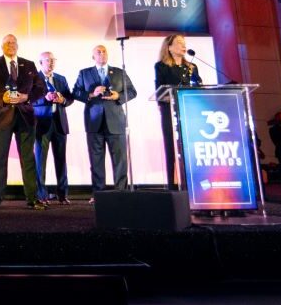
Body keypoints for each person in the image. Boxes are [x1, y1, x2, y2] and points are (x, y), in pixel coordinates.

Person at [0, 34, 47, 209]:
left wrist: (27, 97)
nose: (11, 45)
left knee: (28, 159)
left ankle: (33, 198)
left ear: (18, 45)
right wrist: (2, 98)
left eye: (14, 42)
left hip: (25, 118)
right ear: (2, 46)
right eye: (7, 42)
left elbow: (41, 88)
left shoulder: (29, 65)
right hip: (1, 119)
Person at [73, 44, 138, 202]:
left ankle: (121, 193)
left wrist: (118, 96)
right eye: (98, 52)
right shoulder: (84, 73)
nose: (101, 54)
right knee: (96, 161)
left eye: (104, 51)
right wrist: (91, 93)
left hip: (116, 122)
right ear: (93, 56)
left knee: (120, 160)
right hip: (94, 122)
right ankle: (99, 195)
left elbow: (132, 91)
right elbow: (75, 92)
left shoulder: (119, 72)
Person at [153, 33, 201, 189]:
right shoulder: (161, 66)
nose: (183, 45)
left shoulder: (192, 67)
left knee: (190, 147)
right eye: (179, 43)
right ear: (169, 47)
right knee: (172, 147)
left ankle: (193, 184)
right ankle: (172, 186)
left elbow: (198, 88)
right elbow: (160, 91)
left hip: (190, 112)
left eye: (184, 42)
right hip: (170, 111)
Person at [32, 51, 74, 204]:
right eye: (47, 60)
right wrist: (45, 98)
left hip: (59, 123)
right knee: (40, 161)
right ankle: (41, 196)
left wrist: (63, 100)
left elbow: (70, 98)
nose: (51, 63)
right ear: (41, 62)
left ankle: (63, 195)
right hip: (42, 124)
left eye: (53, 60)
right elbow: (29, 100)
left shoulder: (61, 79)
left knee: (61, 160)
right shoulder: (34, 79)